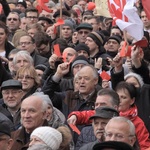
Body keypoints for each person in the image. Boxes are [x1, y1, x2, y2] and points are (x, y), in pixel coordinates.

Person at [115, 81, 150, 150]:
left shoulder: (138, 123)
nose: (119, 100)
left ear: (132, 100)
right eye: (117, 97)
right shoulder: (109, 114)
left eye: (123, 97)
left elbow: (145, 146)